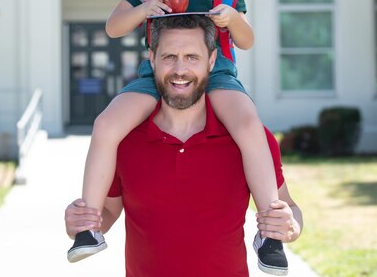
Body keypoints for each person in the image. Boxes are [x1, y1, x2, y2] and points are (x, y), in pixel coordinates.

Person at [68, 0, 288, 275]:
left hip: (217, 69)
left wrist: (233, 18)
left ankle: (270, 234)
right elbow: (114, 27)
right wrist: (143, 9)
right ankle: (87, 229)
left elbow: (248, 41)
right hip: (153, 72)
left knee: (248, 124)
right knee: (105, 124)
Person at [65, 15, 303, 277]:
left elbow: (288, 207)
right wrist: (82, 221)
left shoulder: (250, 139)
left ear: (212, 61)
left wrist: (290, 226)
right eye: (169, 57)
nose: (180, 70)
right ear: (152, 58)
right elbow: (109, 210)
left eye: (192, 57)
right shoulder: (124, 140)